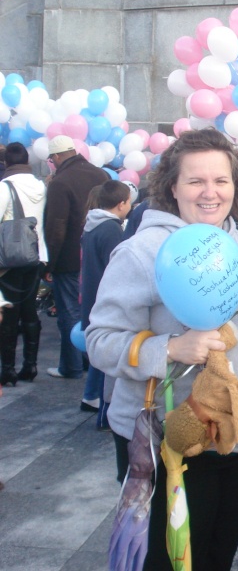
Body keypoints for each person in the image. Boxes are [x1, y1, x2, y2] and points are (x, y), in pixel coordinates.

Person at [86, 128, 238, 568]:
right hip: (174, 441)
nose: (209, 193)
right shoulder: (142, 253)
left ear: (236, 187)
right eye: (195, 181)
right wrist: (171, 347)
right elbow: (100, 342)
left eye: (221, 180)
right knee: (171, 562)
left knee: (218, 556)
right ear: (173, 187)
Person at [44, 135, 107, 380]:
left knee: (69, 312)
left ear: (57, 156)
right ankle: (92, 362)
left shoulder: (60, 182)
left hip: (69, 257)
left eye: (51, 159)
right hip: (97, 254)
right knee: (92, 309)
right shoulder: (99, 174)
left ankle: (70, 365)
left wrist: (50, 263)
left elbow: (56, 227)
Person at [79, 180, 131, 422]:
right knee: (106, 355)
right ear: (121, 204)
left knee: (97, 349)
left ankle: (90, 395)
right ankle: (102, 411)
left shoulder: (93, 224)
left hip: (90, 293)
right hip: (103, 295)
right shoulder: (111, 230)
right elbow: (116, 266)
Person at [0, 143, 48, 386]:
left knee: (9, 312)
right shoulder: (40, 185)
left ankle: (7, 368)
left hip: (10, 258)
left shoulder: (5, 187)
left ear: (7, 163)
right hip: (37, 254)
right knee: (29, 310)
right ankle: (30, 365)